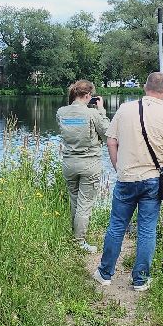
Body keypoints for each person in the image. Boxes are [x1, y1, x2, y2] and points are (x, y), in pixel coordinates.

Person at [96, 71, 163, 291]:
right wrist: (162, 164)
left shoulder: (125, 109)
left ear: (145, 87)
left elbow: (111, 141)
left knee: (116, 226)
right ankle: (140, 280)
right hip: (153, 180)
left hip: (125, 178)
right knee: (146, 230)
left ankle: (105, 274)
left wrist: (118, 166)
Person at [57, 80, 110, 251]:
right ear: (88, 95)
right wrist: (101, 111)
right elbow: (107, 134)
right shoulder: (92, 114)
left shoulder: (61, 112)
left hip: (69, 163)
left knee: (74, 201)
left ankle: (76, 236)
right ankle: (79, 242)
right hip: (89, 164)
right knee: (84, 204)